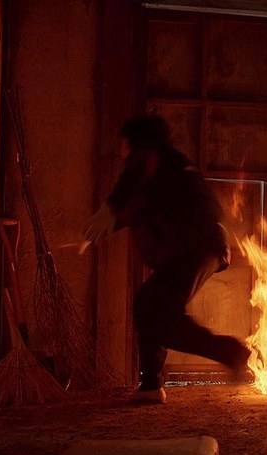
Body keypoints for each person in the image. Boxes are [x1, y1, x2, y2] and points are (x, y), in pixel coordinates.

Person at [83, 114, 254, 404]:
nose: (121, 150)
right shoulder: (166, 167)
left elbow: (131, 188)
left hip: (194, 247)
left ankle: (230, 354)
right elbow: (140, 204)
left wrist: (108, 212)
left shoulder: (154, 161)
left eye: (124, 143)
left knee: (151, 308)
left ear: (137, 144)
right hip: (195, 247)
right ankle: (152, 384)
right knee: (152, 308)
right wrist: (105, 224)